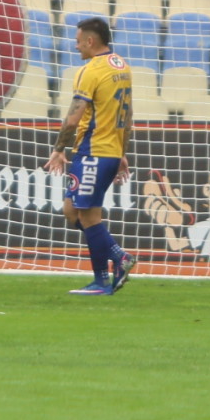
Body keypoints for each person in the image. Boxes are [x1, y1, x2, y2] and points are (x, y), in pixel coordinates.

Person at [43, 16, 138, 296]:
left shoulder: (90, 70)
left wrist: (59, 150)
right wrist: (121, 152)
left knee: (89, 216)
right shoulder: (122, 66)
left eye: (77, 40)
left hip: (94, 151)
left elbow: (74, 118)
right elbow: (128, 115)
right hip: (107, 151)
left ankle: (103, 277)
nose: (75, 46)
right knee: (71, 211)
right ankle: (116, 256)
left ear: (90, 40)